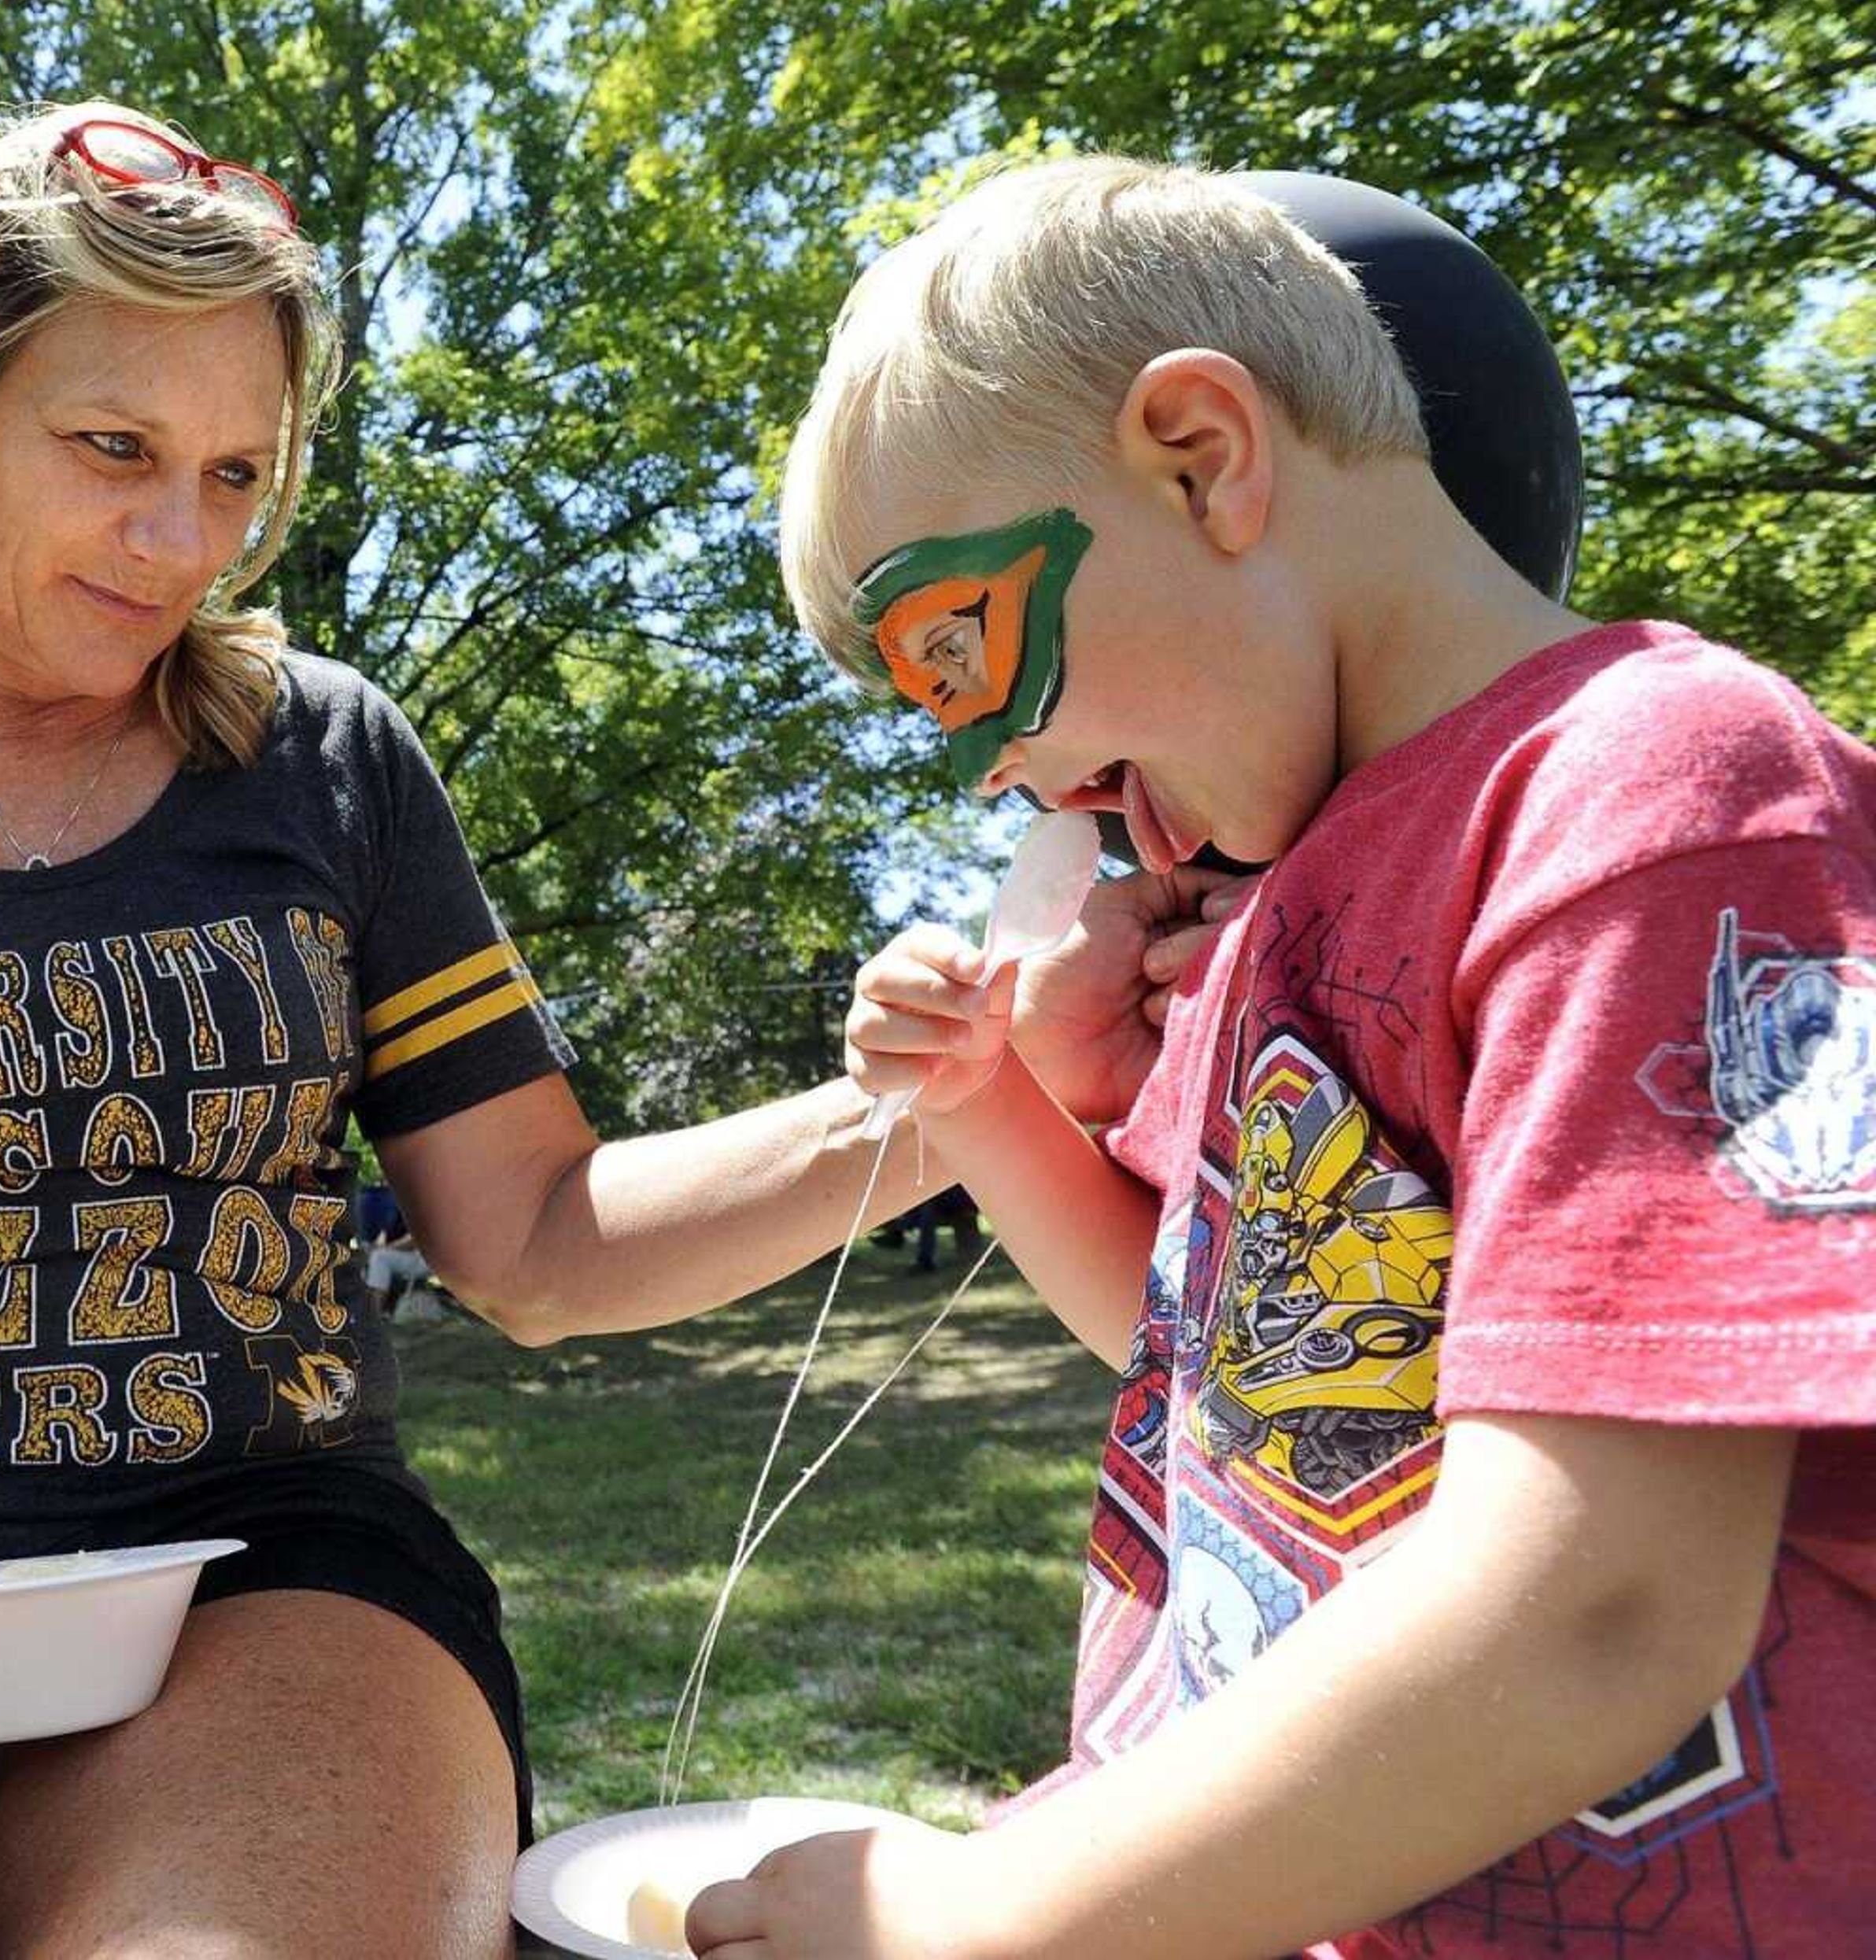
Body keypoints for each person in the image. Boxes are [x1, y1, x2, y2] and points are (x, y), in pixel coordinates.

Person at [0, 102, 1225, 1959]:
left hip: (273, 1561)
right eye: (113, 449)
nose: (182, 541)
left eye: (240, 475)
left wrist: (952, 1095)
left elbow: (542, 1239)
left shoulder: (326, 760)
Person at [688, 156, 1875, 1958]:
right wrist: (985, 1104)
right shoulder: (1292, 905)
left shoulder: (1655, 795)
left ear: (1201, 454)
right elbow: (1217, 1359)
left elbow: (1610, 1597)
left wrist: (985, 1919)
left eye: (964, 653)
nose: (1000, 771)